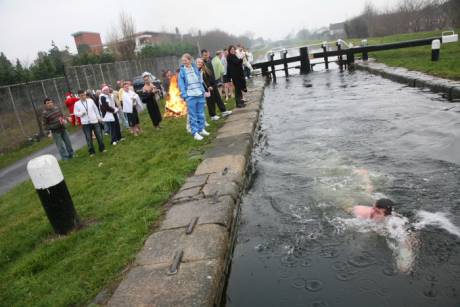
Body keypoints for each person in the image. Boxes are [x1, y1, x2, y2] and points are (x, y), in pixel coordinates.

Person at [178, 53, 209, 141]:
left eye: (185, 60)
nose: (184, 62)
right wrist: (185, 96)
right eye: (183, 61)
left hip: (199, 94)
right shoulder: (182, 71)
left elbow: (200, 80)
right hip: (190, 96)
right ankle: (195, 132)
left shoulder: (195, 69)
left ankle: (201, 129)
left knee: (201, 113)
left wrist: (202, 91)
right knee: (193, 115)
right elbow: (181, 84)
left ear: (190, 60)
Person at [200, 49, 232, 120]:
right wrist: (208, 86)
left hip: (213, 82)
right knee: (210, 100)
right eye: (205, 55)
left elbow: (212, 72)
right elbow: (203, 77)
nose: (207, 56)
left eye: (207, 54)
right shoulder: (201, 63)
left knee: (218, 98)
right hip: (208, 85)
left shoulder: (209, 60)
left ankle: (223, 111)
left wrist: (215, 81)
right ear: (202, 55)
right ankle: (212, 115)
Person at [74, 90, 105, 156]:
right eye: (81, 96)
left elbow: (96, 109)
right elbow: (75, 113)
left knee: (99, 135)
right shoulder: (77, 104)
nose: (83, 97)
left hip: (94, 120)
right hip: (85, 123)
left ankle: (102, 148)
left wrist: (99, 118)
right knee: (88, 137)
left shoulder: (90, 100)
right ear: (79, 96)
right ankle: (92, 152)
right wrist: (81, 113)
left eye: (84, 95)